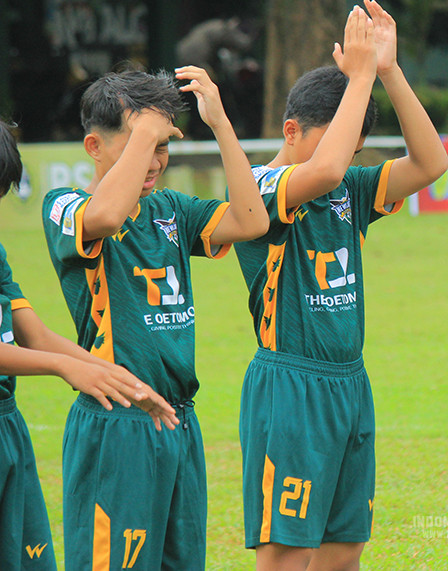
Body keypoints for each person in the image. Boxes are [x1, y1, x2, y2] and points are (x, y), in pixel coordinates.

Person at [233, 0, 447, 571]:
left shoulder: (348, 189)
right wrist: (358, 79)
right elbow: (323, 169)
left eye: (354, 149)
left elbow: (431, 165)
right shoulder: (259, 188)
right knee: (288, 552)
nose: (345, 158)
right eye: (338, 140)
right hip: (291, 385)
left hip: (350, 383)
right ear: (291, 130)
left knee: (345, 548)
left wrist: (388, 71)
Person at [41, 67, 268, 570]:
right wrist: (147, 128)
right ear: (94, 147)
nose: (154, 160)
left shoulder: (172, 209)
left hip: (179, 421)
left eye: (162, 146)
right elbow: (105, 217)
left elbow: (252, 221)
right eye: (140, 144)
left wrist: (220, 124)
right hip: (117, 423)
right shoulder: (65, 206)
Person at [0, 121, 177, 571]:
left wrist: (121, 380)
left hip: (7, 425)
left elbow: (36, 336)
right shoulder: (66, 206)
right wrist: (66, 368)